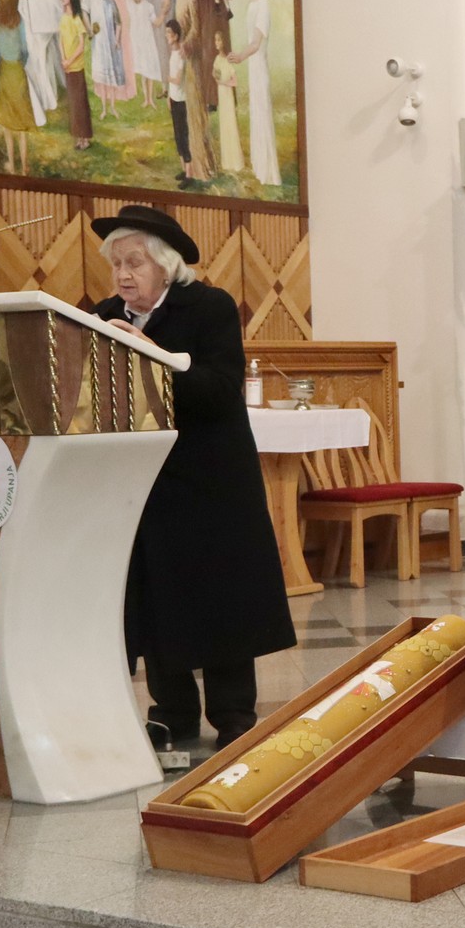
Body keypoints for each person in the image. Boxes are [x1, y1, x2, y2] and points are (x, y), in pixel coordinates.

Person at [90, 204, 294, 750]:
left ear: (165, 265)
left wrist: (154, 357)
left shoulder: (209, 307)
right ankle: (172, 713)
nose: (123, 274)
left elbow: (220, 390)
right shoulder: (103, 315)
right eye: (116, 264)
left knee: (220, 597)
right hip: (144, 482)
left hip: (210, 480)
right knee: (158, 598)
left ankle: (234, 714)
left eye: (134, 262)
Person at [226, 0, 276, 186]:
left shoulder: (264, 4)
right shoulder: (252, 5)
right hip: (253, 68)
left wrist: (240, 56)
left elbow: (256, 43)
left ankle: (267, 171)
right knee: (256, 112)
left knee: (262, 112)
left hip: (259, 67)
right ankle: (259, 166)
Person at [0, 0, 36, 175]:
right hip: (18, 69)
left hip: (4, 70)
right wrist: (19, 63)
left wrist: (3, 62)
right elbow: (25, 50)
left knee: (8, 124)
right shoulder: (19, 19)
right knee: (22, 123)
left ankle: (12, 164)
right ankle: (25, 166)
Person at [174, 0, 215, 179]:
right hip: (181, 59)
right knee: (181, 113)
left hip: (191, 60)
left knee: (192, 112)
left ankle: (200, 167)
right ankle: (187, 166)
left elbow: (196, 30)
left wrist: (185, 46)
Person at [58, 0, 92, 149]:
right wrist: (63, 59)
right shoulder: (63, 18)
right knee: (73, 104)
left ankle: (85, 138)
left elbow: (81, 46)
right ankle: (78, 137)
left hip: (76, 67)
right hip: (68, 68)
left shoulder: (77, 19)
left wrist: (70, 60)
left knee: (80, 104)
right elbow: (60, 40)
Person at [82, 0, 123, 117]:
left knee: (111, 78)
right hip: (99, 43)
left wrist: (116, 39)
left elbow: (118, 22)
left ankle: (113, 107)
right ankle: (104, 109)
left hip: (110, 43)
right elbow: (84, 13)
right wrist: (90, 30)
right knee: (102, 79)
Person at [126, 0, 161, 108]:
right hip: (137, 42)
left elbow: (156, 22)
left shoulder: (148, 6)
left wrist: (163, 13)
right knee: (142, 70)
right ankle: (146, 99)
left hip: (147, 42)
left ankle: (150, 98)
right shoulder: (129, 6)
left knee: (149, 71)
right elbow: (127, 22)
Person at [164, 17, 190, 182]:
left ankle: (189, 174)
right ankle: (183, 170)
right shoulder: (173, 53)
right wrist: (168, 96)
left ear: (176, 36)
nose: (166, 36)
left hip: (181, 100)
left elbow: (178, 79)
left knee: (183, 136)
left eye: (169, 33)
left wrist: (168, 79)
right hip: (174, 99)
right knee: (177, 136)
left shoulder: (180, 54)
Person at [211, 29, 242, 171]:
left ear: (224, 42)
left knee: (230, 124)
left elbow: (235, 81)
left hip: (227, 95)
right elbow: (215, 74)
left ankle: (235, 162)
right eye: (215, 40)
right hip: (221, 95)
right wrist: (216, 76)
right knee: (224, 125)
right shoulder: (217, 59)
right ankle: (227, 162)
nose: (216, 43)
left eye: (219, 40)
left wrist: (223, 83)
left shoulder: (228, 59)